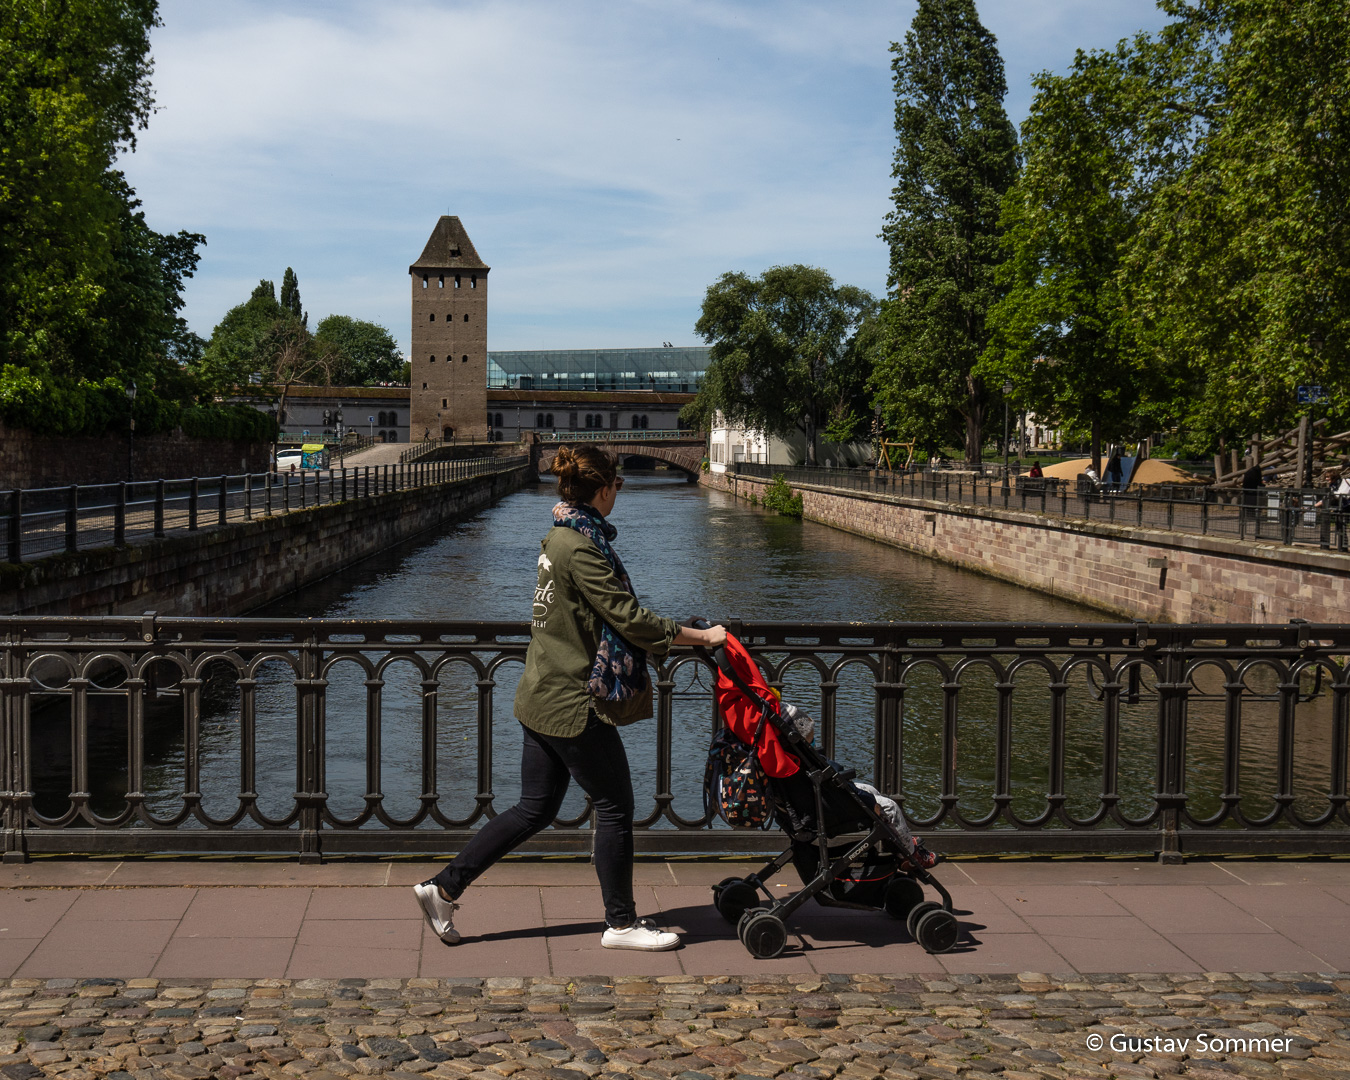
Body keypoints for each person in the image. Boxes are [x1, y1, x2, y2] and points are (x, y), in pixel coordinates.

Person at [414, 444, 727, 951]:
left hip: (540, 691)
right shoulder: (580, 547)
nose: (618, 495)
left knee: (533, 810)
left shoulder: (559, 537)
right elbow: (628, 617)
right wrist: (704, 637)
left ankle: (443, 888)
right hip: (572, 701)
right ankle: (621, 924)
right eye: (617, 487)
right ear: (603, 489)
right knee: (616, 805)